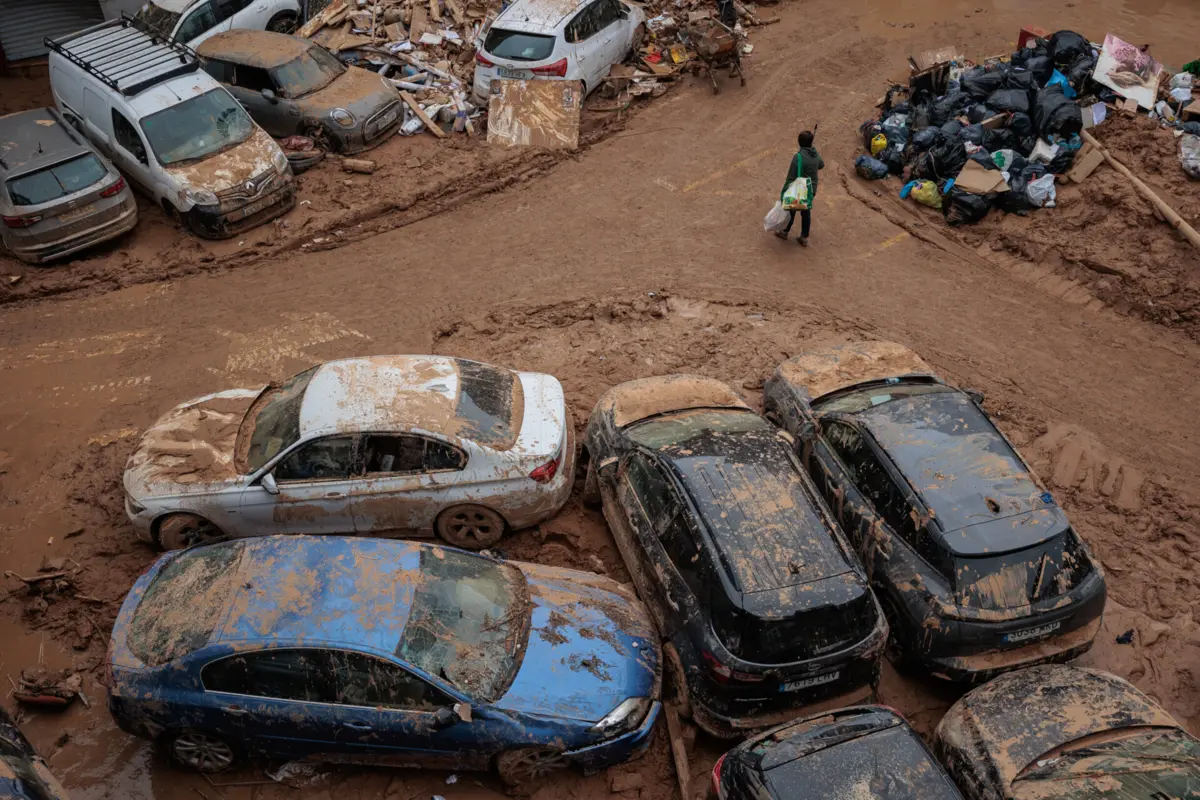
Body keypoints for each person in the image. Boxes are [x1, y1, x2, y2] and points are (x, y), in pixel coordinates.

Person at [777, 131, 825, 246]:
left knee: (792, 210)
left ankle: (785, 231)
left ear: (799, 142)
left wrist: (785, 191)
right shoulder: (816, 155)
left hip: (799, 188)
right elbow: (821, 165)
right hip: (811, 189)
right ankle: (804, 237)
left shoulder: (798, 157)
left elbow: (791, 176)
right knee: (806, 211)